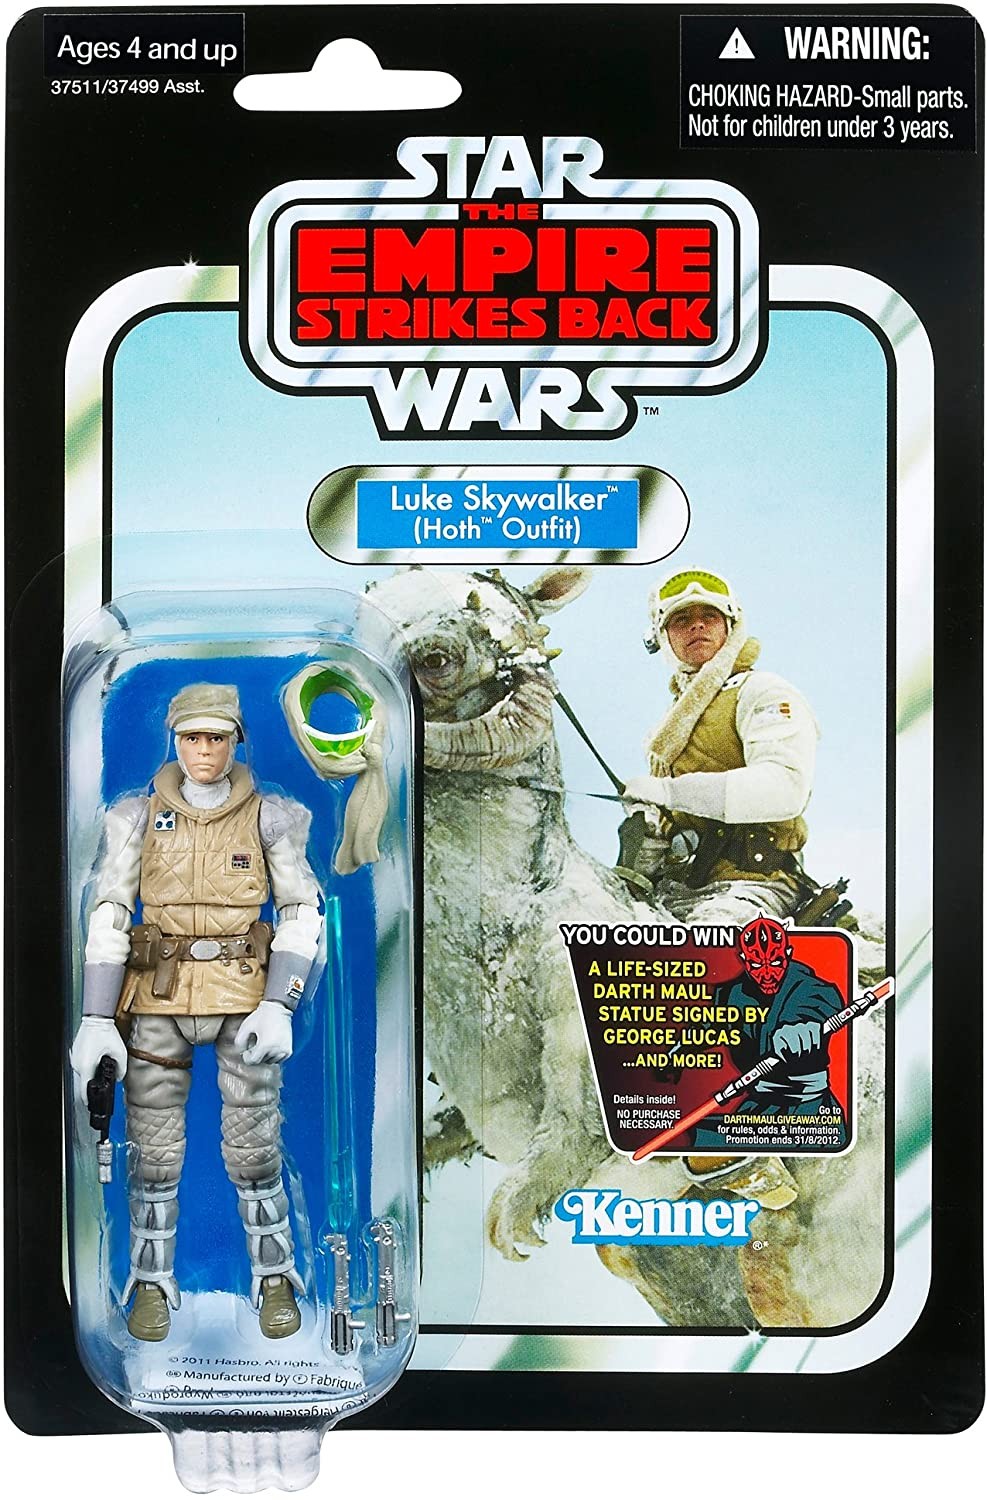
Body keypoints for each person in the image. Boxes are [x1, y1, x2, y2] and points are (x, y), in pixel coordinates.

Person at [69, 683, 323, 1342]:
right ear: (174, 740)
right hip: (158, 994)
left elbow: (301, 910)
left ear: (236, 740)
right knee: (154, 1152)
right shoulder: (133, 817)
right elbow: (110, 912)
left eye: (216, 737)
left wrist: (281, 1003)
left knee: (255, 1147)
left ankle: (275, 1277)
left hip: (243, 998)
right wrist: (96, 1019)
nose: (204, 751)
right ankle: (151, 1282)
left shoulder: (273, 817)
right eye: (191, 737)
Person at [622, 568, 819, 926]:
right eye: (681, 620)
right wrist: (649, 832)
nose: (697, 625)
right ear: (662, 637)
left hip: (753, 885)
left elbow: (785, 787)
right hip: (676, 889)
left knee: (703, 945)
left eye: (709, 616)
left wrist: (668, 792)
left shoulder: (762, 692)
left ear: (731, 627)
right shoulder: (670, 726)